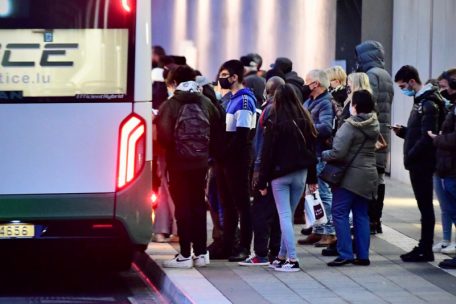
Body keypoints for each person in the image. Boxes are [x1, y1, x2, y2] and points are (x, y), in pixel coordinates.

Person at [155, 65, 221, 268]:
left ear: (174, 83)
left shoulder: (170, 104)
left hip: (178, 163)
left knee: (182, 208)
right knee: (198, 206)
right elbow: (218, 127)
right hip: (201, 163)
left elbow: (164, 137)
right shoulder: (206, 101)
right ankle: (201, 254)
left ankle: (184, 254)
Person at [257, 84, 318, 272]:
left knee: (284, 216)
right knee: (288, 216)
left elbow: (267, 153)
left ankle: (292, 259)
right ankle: (282, 256)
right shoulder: (305, 119)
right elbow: (312, 151)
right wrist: (312, 179)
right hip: (300, 174)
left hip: (280, 175)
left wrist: (262, 181)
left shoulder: (274, 121)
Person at [393, 65, 445, 262]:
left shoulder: (428, 103)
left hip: (421, 163)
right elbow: (419, 133)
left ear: (412, 82)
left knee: (425, 207)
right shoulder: (421, 102)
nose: (403, 90)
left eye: (403, 86)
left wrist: (410, 156)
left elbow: (427, 137)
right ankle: (424, 246)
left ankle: (425, 248)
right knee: (423, 207)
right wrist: (404, 132)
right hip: (419, 161)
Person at [322, 90, 379, 266]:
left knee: (339, 213)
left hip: (349, 176)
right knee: (361, 214)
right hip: (368, 175)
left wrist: (324, 153)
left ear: (355, 105)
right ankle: (363, 256)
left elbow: (338, 153)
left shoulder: (350, 125)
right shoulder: (374, 123)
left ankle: (345, 253)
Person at [239, 76, 285, 266]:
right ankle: (275, 252)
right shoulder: (293, 110)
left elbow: (260, 145)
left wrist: (258, 173)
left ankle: (260, 254)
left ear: (269, 91)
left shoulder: (268, 111)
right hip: (284, 170)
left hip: (267, 169)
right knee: (278, 213)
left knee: (260, 212)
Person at [216, 60, 257, 262]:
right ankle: (227, 244)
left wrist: (223, 154)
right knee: (227, 204)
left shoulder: (244, 101)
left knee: (242, 205)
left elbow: (242, 137)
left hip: (237, 161)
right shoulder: (232, 99)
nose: (221, 78)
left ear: (235, 77)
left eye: (225, 75)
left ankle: (243, 247)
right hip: (226, 160)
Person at [355, 40, 394, 234]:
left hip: (373, 134)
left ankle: (371, 220)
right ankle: (376, 220)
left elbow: (370, 106)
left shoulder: (371, 75)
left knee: (372, 180)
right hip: (383, 132)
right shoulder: (385, 75)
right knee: (378, 177)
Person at [299, 69, 336, 247]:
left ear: (317, 84)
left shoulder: (325, 102)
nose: (305, 85)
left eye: (308, 81)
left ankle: (329, 232)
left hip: (320, 153)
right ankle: (318, 229)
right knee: (312, 194)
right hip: (310, 153)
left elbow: (326, 127)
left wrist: (305, 127)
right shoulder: (310, 100)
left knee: (322, 194)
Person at [431, 70, 456, 269]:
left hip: (451, 168)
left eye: (444, 87)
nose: (442, 91)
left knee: (452, 209)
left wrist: (437, 139)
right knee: (449, 209)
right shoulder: (452, 107)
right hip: (447, 166)